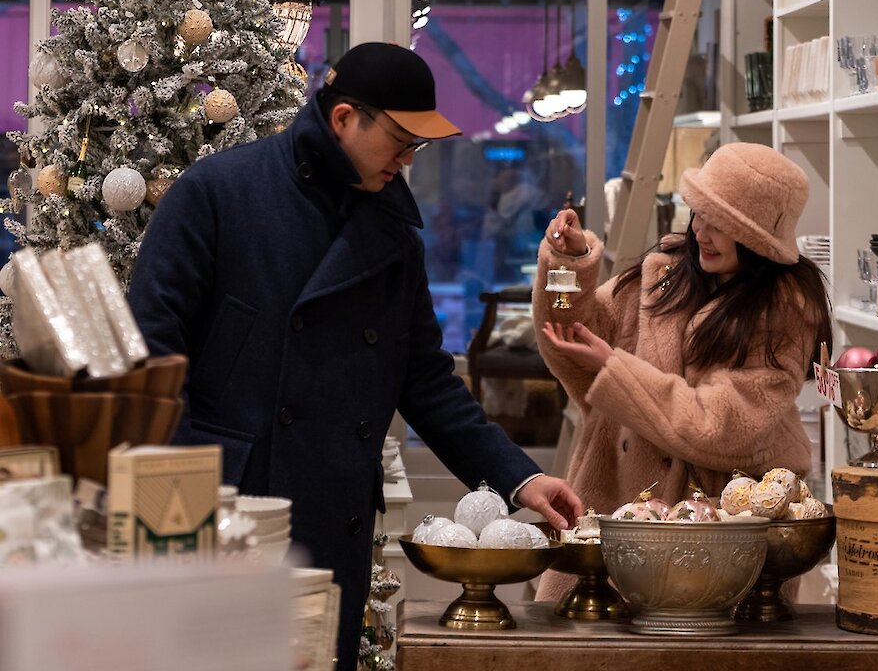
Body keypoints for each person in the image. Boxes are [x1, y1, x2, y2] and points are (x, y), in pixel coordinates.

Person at [128, 42, 582, 667]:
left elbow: (425, 378)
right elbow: (151, 357)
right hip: (229, 509)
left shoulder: (394, 231)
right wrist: (179, 503)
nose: (408, 160)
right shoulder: (217, 193)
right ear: (344, 118)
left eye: (418, 146)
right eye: (400, 140)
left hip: (328, 509)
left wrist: (520, 477)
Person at [532, 141, 831, 600]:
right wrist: (569, 267)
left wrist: (615, 368)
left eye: (721, 222)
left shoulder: (784, 314)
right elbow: (575, 339)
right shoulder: (665, 276)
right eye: (699, 214)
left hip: (719, 544)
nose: (701, 231)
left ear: (756, 237)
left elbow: (722, 425)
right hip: (617, 508)